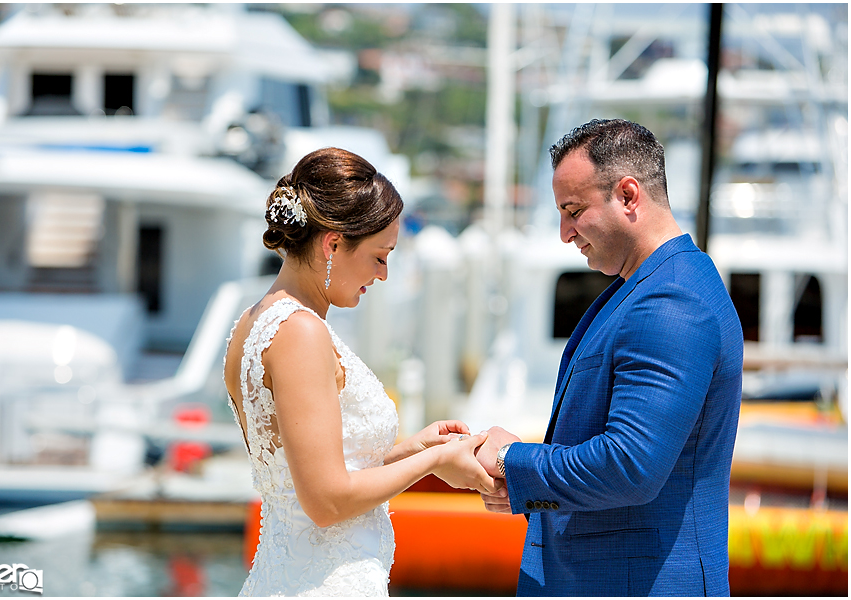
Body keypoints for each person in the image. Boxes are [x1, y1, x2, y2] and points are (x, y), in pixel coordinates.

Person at [476, 119, 743, 596]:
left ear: (628, 195)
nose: (564, 232)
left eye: (574, 210)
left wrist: (510, 461)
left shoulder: (672, 300)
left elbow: (631, 466)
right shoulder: (646, 288)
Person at [223, 147, 498, 597]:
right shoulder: (300, 332)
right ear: (333, 243)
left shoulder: (254, 321)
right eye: (379, 255)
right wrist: (434, 462)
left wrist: (412, 449)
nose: (385, 274)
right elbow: (327, 502)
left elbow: (315, 474)